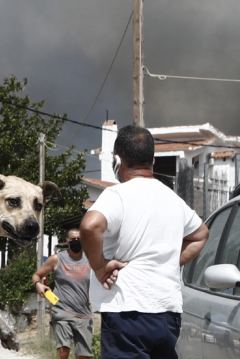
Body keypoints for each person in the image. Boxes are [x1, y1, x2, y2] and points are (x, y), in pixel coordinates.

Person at [80, 125, 209, 359]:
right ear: (153, 161)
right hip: (168, 313)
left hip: (127, 312)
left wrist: (99, 267)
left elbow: (90, 226)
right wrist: (170, 262)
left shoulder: (117, 195)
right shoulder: (173, 199)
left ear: (117, 161)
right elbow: (201, 234)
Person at [32, 228, 93, 359]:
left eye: (79, 239)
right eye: (73, 239)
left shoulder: (91, 260)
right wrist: (38, 284)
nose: (76, 241)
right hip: (62, 311)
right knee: (63, 350)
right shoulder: (56, 259)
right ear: (67, 241)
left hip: (84, 313)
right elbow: (37, 275)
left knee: (84, 355)